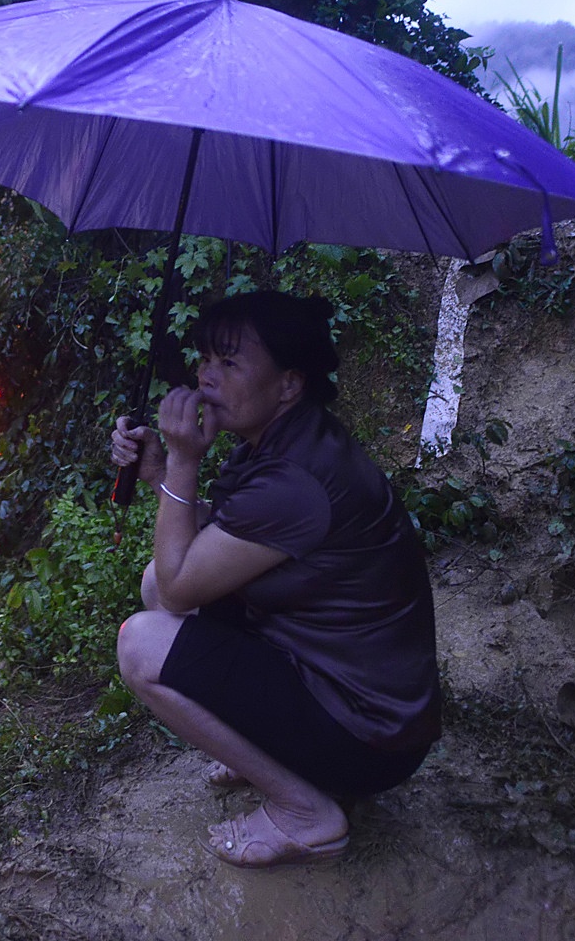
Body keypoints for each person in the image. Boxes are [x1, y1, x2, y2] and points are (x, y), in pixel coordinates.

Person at [109, 290, 440, 869]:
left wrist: (184, 463)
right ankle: (273, 751)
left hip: (368, 733)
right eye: (206, 359)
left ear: (288, 383)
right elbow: (212, 545)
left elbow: (186, 584)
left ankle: (305, 812)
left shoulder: (293, 479)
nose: (206, 378)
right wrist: (162, 472)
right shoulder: (290, 439)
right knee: (154, 586)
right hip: (338, 680)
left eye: (230, 364)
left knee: (141, 642)